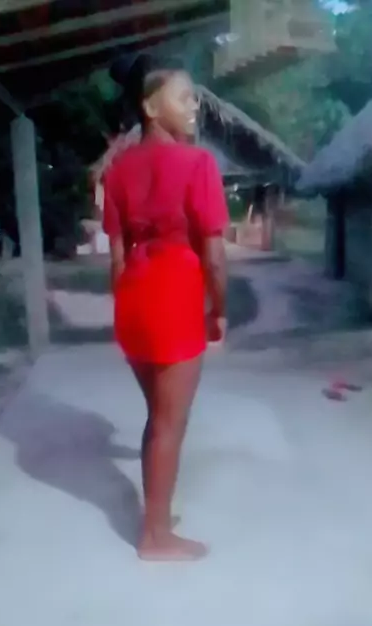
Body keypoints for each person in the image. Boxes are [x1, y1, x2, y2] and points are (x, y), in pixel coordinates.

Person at [103, 53, 228, 562]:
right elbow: (214, 258)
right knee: (169, 424)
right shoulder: (198, 164)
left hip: (134, 300)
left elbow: (116, 258)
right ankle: (154, 536)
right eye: (184, 97)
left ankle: (156, 512)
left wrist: (127, 308)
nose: (195, 105)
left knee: (159, 417)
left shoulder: (117, 171)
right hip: (175, 300)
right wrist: (219, 311)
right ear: (151, 107)